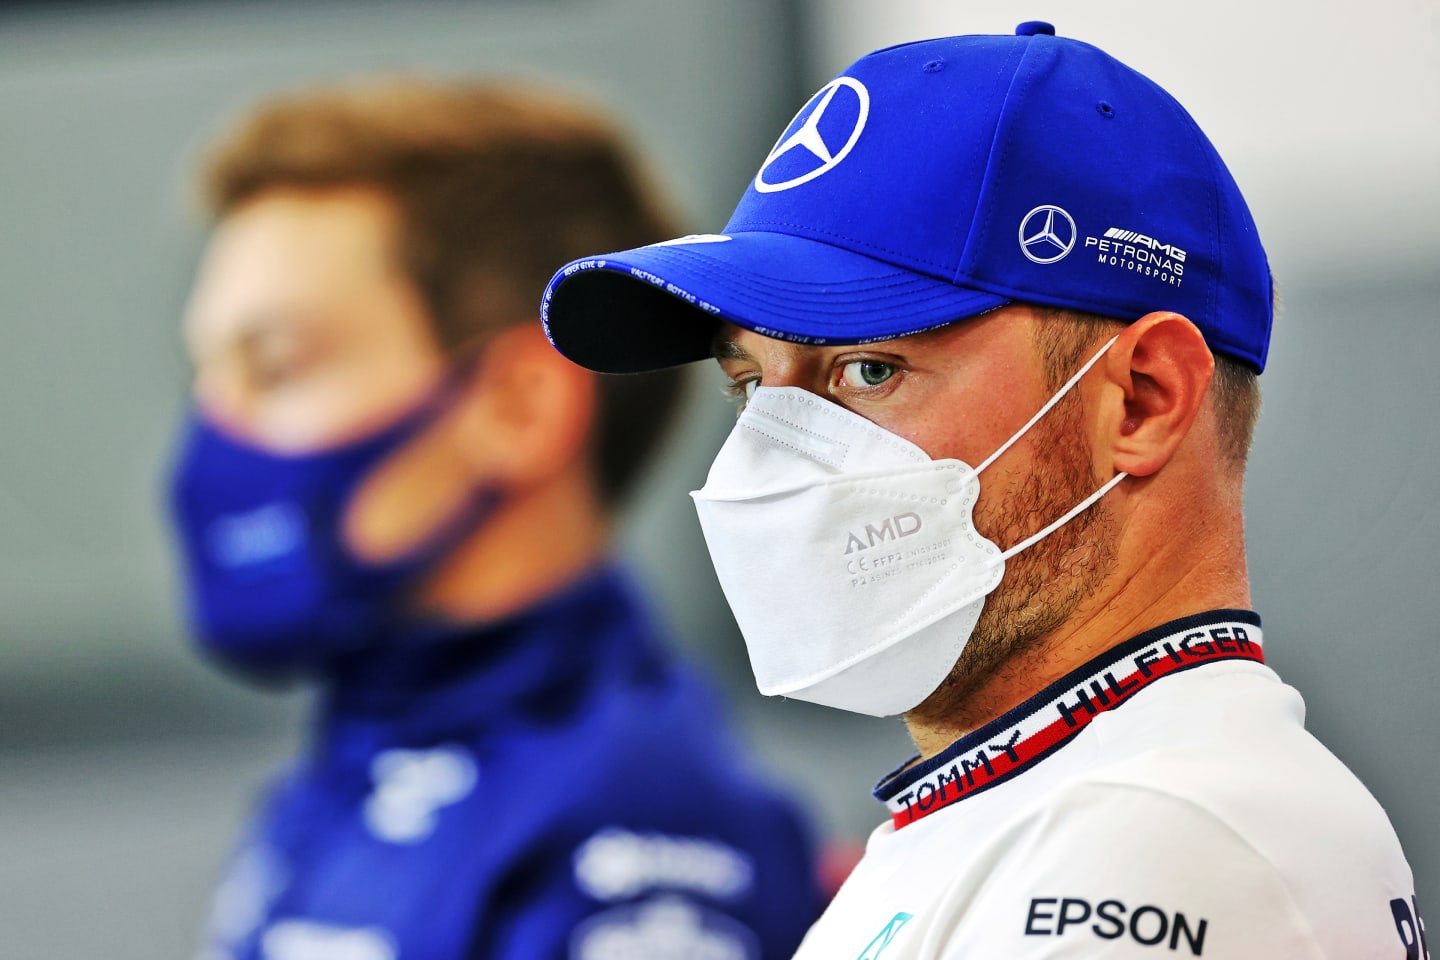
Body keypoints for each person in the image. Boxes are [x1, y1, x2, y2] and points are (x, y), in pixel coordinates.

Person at [540, 22, 1425, 958]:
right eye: (752, 382)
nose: (767, 455)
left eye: (868, 369)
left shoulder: (1162, 835)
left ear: (1143, 400)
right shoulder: (1024, 810)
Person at [165, 78, 821, 960]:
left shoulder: (639, 836)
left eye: (277, 368)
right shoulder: (347, 766)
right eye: (206, 377)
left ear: (517, 404)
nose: (215, 433)